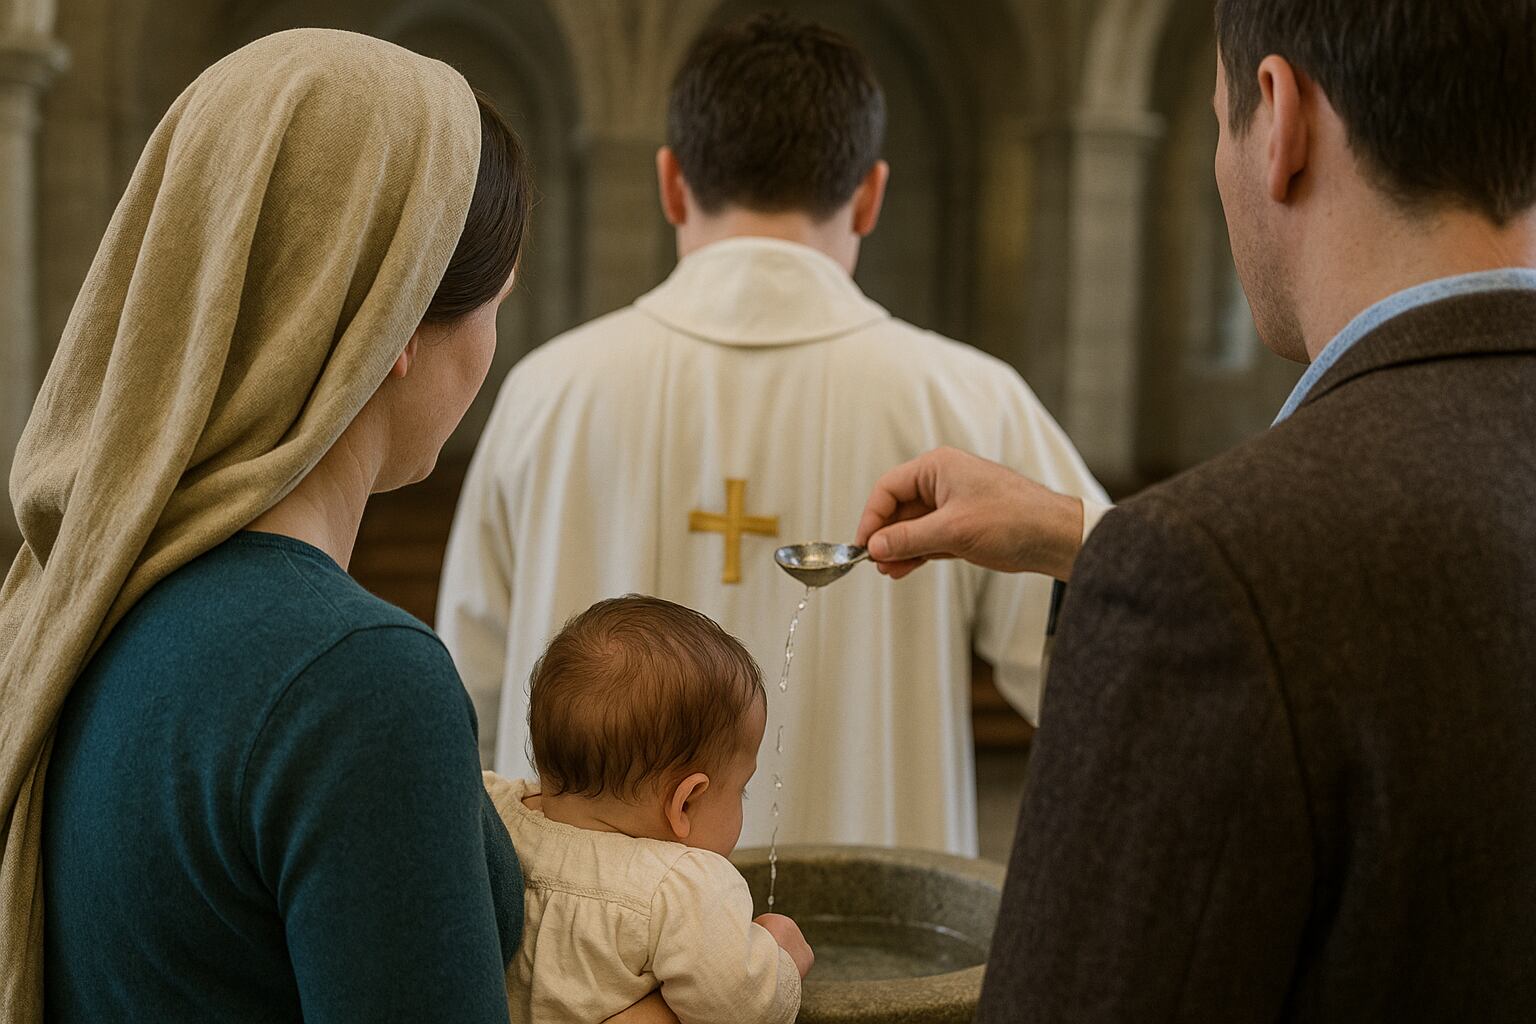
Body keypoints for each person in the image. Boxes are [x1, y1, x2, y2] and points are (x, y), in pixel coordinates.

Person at [857, 0, 1536, 1019]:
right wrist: (1099, 542)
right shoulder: (1216, 565)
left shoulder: (1208, 567)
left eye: (1218, 122)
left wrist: (1168, 568)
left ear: (1280, 118)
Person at [0, 28, 661, 1024]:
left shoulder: (90, 592)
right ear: (392, 325)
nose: (490, 347)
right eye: (495, 304)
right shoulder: (354, 681)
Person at [437, 12, 1108, 858]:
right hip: (877, 954)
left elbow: (470, 699)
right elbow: (1113, 667)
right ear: (870, 195)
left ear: (671, 183)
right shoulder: (971, 399)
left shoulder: (546, 392)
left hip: (597, 970)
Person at [484, 595, 811, 1024]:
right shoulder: (683, 889)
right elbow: (741, 1007)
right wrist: (781, 954)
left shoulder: (492, 811)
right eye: (741, 790)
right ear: (685, 802)